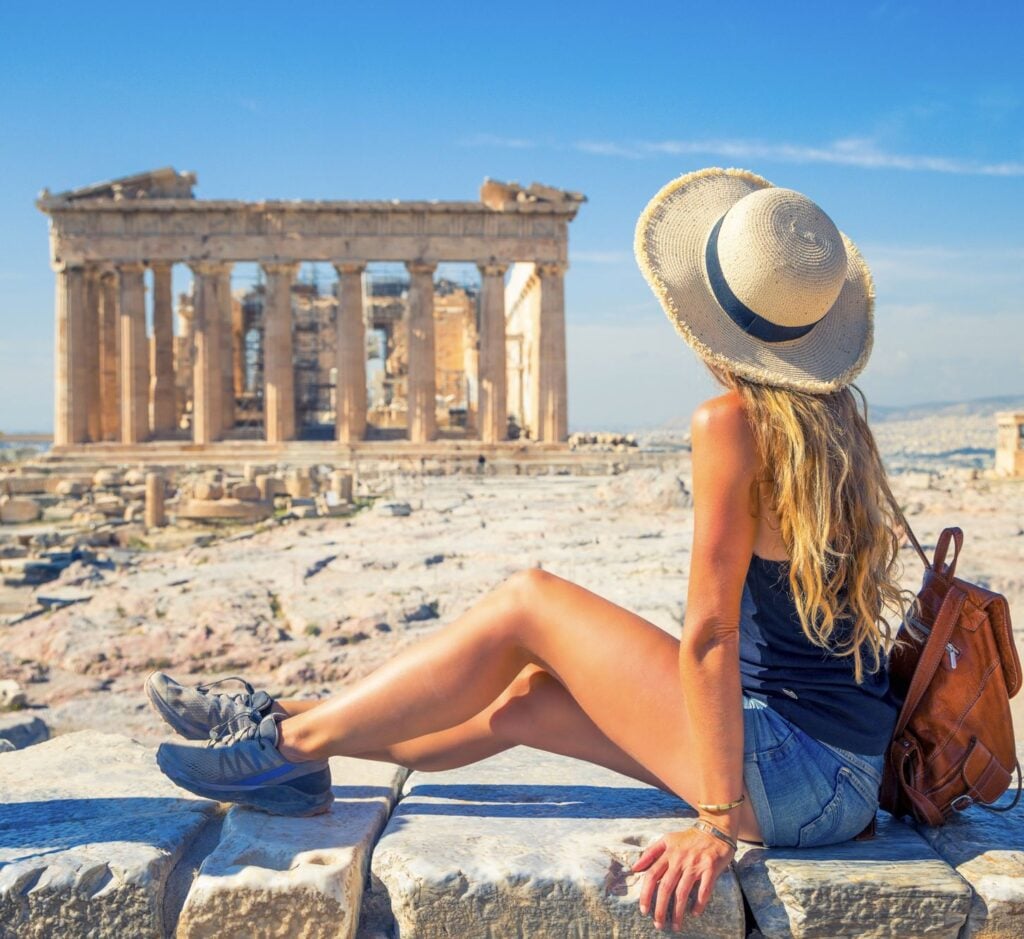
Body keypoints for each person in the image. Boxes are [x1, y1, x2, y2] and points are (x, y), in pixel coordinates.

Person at [148, 167, 916, 934]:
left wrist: (715, 824)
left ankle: (283, 745)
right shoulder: (836, 418)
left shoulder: (732, 422)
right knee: (523, 702)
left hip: (793, 772)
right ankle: (291, 731)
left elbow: (710, 635)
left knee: (530, 600)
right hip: (839, 771)